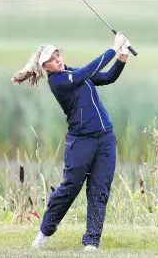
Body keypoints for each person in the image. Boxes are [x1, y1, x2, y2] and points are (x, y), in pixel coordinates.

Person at [11, 32, 131, 252]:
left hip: (105, 138)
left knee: (100, 189)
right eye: (53, 59)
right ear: (45, 67)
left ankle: (91, 243)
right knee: (70, 187)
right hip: (81, 140)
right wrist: (113, 49)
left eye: (58, 55)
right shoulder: (58, 82)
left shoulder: (70, 71)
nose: (58, 60)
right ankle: (45, 232)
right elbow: (87, 72)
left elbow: (107, 77)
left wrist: (122, 55)